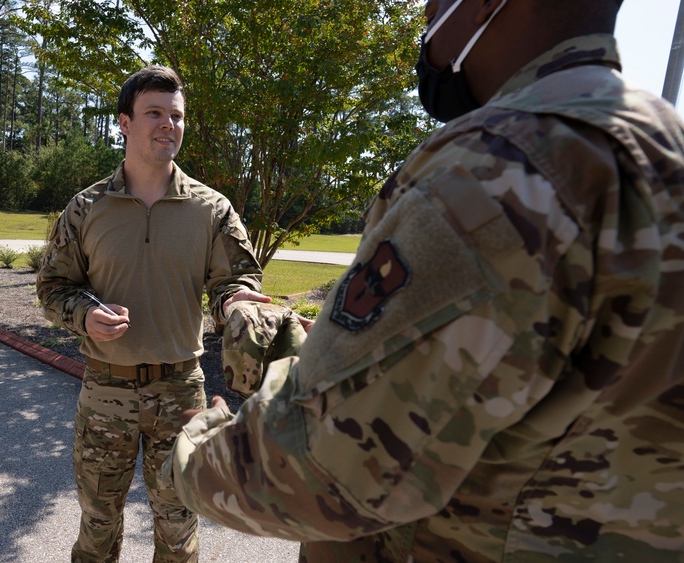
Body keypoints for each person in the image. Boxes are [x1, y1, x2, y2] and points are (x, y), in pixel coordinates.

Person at [165, 0, 684, 560]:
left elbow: (323, 469)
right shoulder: (663, 151)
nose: (427, 19)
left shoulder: (499, 170)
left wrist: (196, 447)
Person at [36, 65, 269, 562]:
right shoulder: (86, 208)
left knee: (179, 530)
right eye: (154, 114)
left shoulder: (212, 208)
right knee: (98, 528)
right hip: (105, 390)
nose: (169, 125)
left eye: (177, 116)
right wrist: (84, 315)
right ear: (123, 122)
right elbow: (53, 287)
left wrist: (233, 300)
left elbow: (238, 279)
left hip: (181, 391)